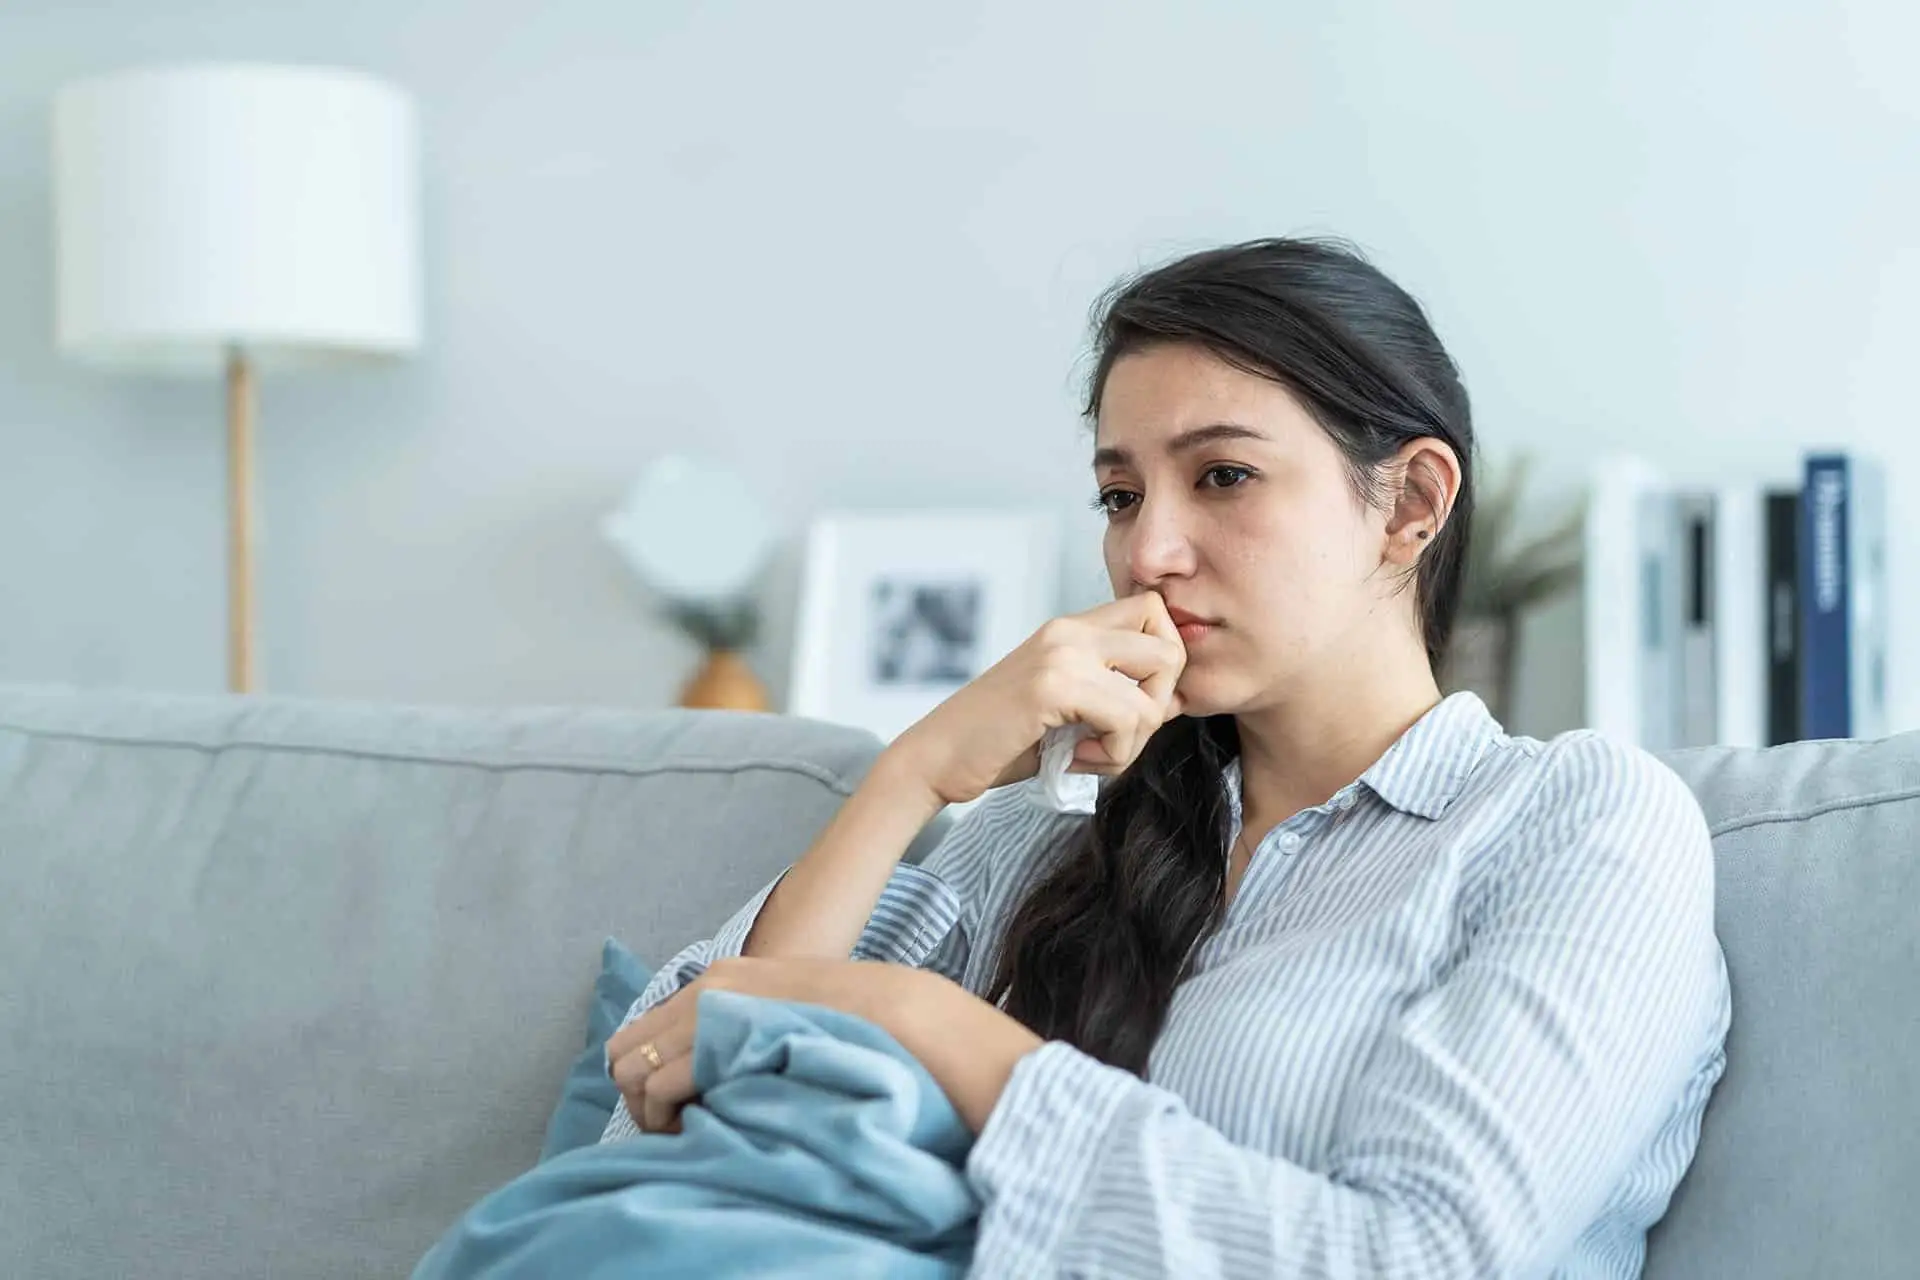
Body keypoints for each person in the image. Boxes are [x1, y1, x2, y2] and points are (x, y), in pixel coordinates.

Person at [601, 237, 1731, 1279]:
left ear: (1411, 503)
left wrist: (933, 1025)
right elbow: (663, 1109)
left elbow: (1422, 1256)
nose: (1147, 550)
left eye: (1224, 475)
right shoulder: (1047, 835)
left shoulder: (1579, 820)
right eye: (1121, 494)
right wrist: (914, 775)